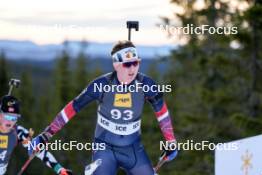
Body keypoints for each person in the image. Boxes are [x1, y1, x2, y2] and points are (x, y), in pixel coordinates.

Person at [30, 40, 178, 175]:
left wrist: (170, 141)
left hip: (133, 148)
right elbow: (72, 108)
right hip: (104, 147)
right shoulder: (102, 85)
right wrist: (46, 134)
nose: (132, 68)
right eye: (127, 64)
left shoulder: (146, 84)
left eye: (136, 63)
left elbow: (162, 113)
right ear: (116, 64)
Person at [0, 95, 71, 175]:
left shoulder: (18, 132)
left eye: (14, 118)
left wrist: (59, 169)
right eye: (7, 116)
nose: (10, 122)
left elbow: (39, 151)